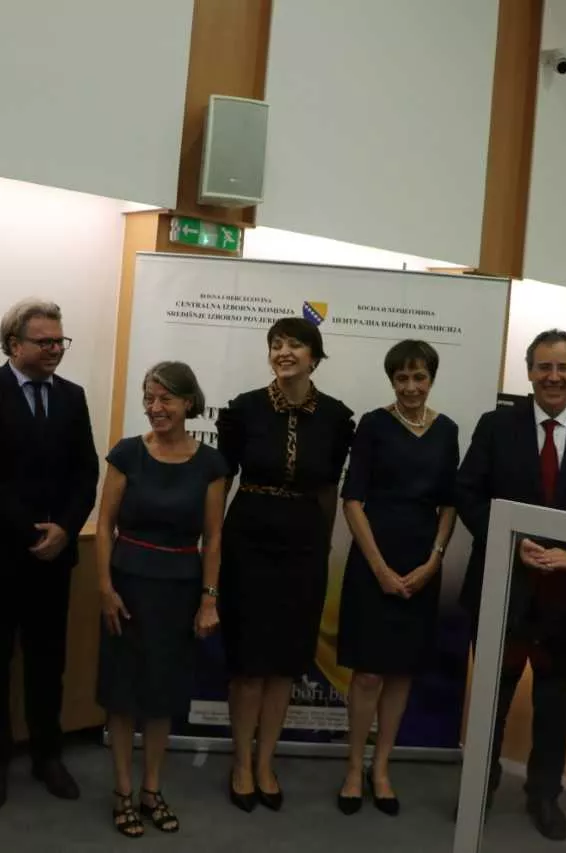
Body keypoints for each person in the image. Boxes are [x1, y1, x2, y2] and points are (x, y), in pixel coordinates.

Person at [454, 328, 566, 840]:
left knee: (554, 707)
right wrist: (510, 542)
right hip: (502, 590)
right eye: (544, 367)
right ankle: (479, 789)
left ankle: (544, 795)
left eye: (563, 368)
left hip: (564, 599)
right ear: (529, 372)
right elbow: (468, 493)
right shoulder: (495, 426)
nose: (554, 377)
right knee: (492, 700)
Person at [0, 298, 99, 810]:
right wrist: (32, 532)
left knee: (47, 663)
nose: (55, 348)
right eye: (45, 341)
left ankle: (47, 756)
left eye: (60, 340)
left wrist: (65, 529)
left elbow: (86, 471)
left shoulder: (72, 396)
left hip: (53, 560)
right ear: (14, 344)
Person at [215, 317, 354, 813]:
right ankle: (240, 763)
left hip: (304, 548)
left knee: (285, 663)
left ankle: (265, 762)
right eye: (276, 344)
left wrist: (324, 544)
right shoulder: (244, 409)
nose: (283, 352)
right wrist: (211, 546)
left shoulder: (336, 417)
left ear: (314, 356)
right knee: (249, 663)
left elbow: (329, 488)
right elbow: (221, 482)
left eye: (295, 344)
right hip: (248, 542)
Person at [94, 362, 227, 838]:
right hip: (126, 588)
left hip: (179, 590)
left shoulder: (211, 464)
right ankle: (122, 791)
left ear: (189, 402)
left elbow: (213, 538)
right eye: (149, 398)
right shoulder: (127, 454)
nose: (155, 408)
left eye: (165, 399)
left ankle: (151, 789)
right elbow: (104, 526)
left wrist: (209, 600)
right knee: (122, 693)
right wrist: (105, 588)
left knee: (161, 694)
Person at [335, 340, 458, 817]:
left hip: (422, 565)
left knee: (402, 672)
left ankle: (381, 768)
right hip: (374, 562)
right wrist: (380, 569)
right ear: (391, 380)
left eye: (419, 377)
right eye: (402, 378)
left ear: (431, 379)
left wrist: (434, 561)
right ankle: (353, 767)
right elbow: (352, 501)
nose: (410, 387)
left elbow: (449, 504)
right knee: (368, 673)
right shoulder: (373, 424)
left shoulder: (447, 431)